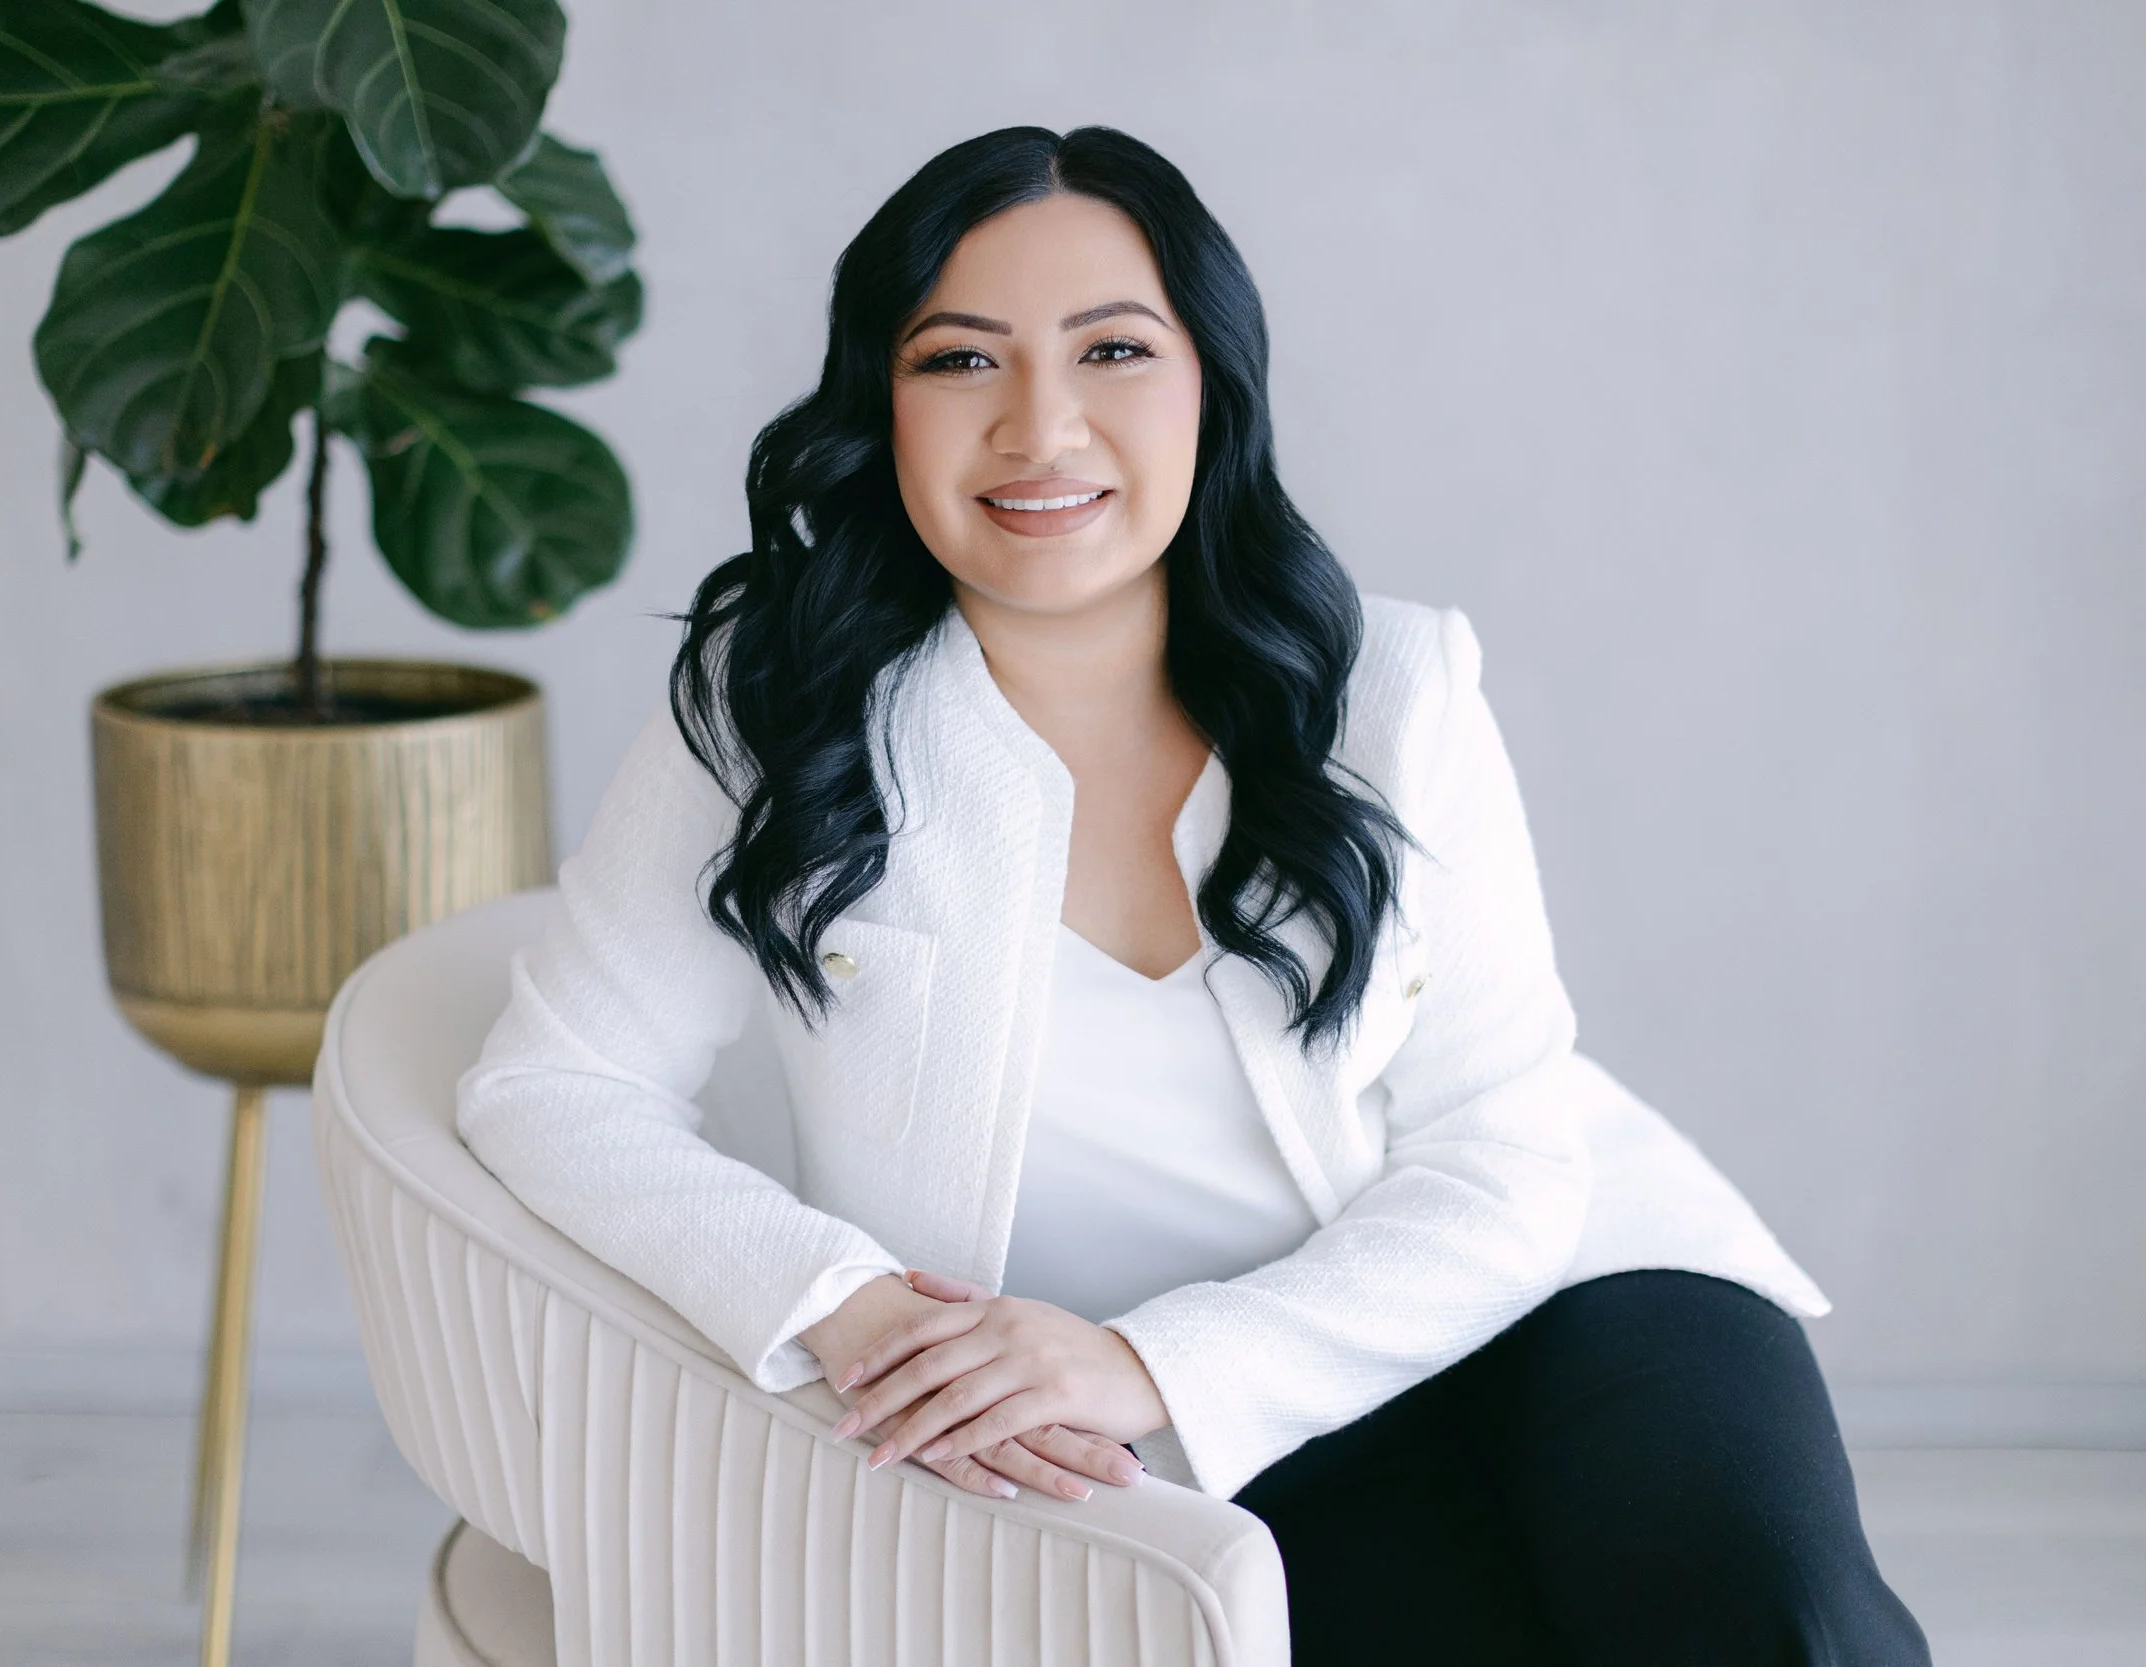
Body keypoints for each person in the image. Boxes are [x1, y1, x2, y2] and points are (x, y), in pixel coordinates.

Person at [456, 123, 1930, 1664]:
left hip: (1551, 1293)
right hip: (1159, 1448)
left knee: (1782, 1626)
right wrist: (843, 1302)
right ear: (876, 403)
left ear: (1212, 385)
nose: (1042, 426)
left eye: (1113, 350)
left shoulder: (1392, 687)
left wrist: (1154, 1357)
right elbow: (556, 1085)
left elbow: (1504, 1151)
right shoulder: (775, 708)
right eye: (960, 361)